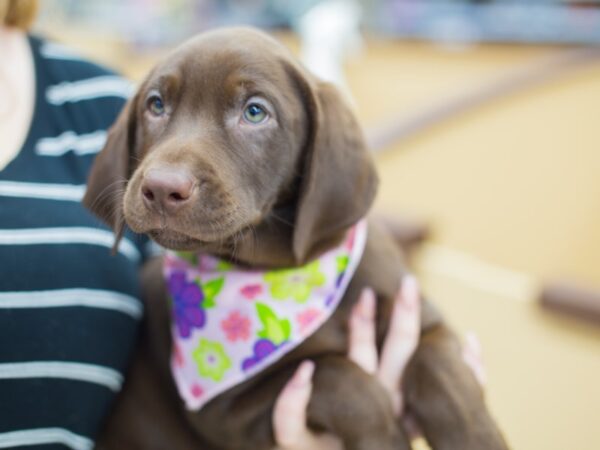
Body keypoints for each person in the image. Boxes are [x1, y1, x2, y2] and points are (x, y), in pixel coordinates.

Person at [0, 1, 482, 449]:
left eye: (255, 110)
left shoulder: (84, 96)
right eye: (158, 106)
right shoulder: (182, 297)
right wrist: (358, 407)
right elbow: (231, 409)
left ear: (316, 153)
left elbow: (425, 341)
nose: (169, 174)